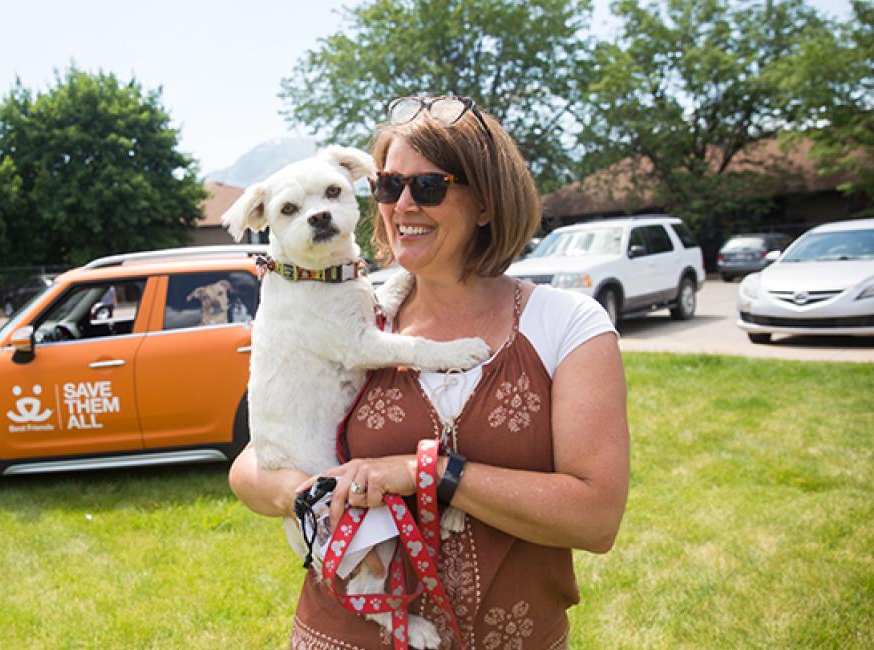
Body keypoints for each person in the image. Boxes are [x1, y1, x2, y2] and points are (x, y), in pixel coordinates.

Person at [229, 95, 629, 650]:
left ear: (486, 203)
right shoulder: (359, 310)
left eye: (430, 187)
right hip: (348, 635)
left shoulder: (563, 323)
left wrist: (427, 473)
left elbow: (595, 520)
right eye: (389, 187)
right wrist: (313, 492)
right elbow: (250, 468)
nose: (402, 206)